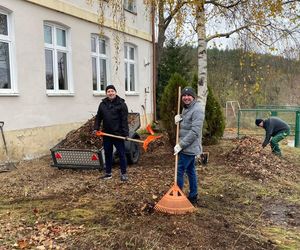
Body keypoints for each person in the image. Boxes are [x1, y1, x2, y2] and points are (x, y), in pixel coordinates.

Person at [173, 86, 205, 204]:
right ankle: (193, 195)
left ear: (194, 97)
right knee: (191, 170)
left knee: (180, 170)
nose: (186, 98)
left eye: (189, 95)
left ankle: (178, 195)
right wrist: (180, 118)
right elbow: (187, 122)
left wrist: (181, 145)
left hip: (189, 147)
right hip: (187, 146)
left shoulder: (197, 110)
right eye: (184, 96)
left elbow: (195, 132)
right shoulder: (187, 108)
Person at [94, 85, 129, 181]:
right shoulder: (102, 104)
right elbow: (98, 117)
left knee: (121, 154)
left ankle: (123, 173)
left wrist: (125, 133)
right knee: (108, 153)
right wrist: (96, 128)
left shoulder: (121, 104)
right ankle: (108, 173)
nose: (110, 93)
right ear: (106, 93)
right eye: (108, 91)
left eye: (112, 91)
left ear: (115, 92)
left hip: (118, 134)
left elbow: (124, 120)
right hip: (106, 134)